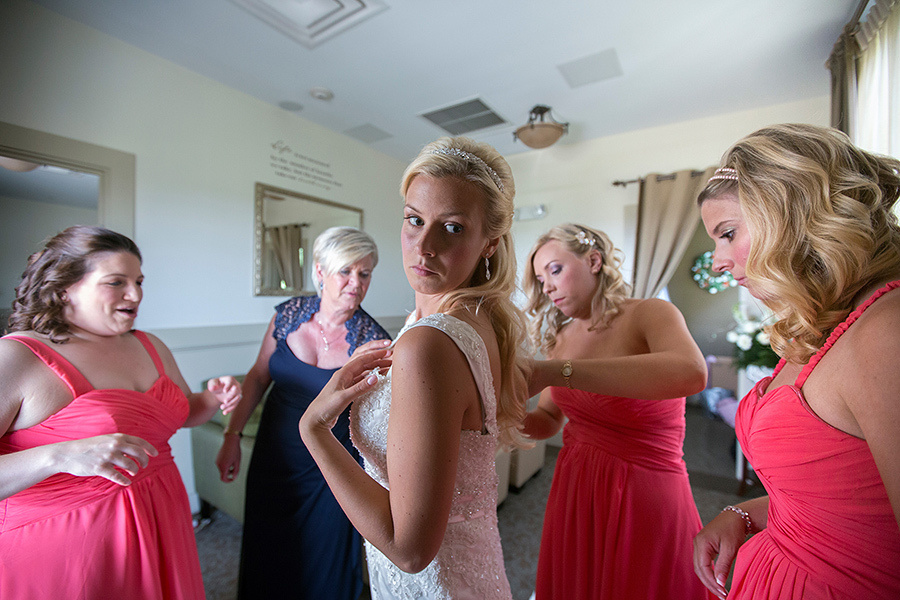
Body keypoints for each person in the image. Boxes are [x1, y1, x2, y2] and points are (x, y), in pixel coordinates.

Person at [298, 137, 529, 599]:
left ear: (490, 243)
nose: (423, 246)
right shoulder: (473, 322)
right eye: (414, 220)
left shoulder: (430, 341)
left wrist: (314, 430)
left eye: (454, 228)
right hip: (473, 570)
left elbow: (409, 549)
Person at [692, 124, 900, 600]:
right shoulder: (819, 329)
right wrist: (742, 513)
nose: (719, 260)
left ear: (789, 211)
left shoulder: (886, 330)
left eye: (728, 233)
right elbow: (842, 499)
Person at [0, 225, 241, 599]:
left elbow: (177, 413)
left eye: (139, 281)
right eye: (116, 282)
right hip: (70, 543)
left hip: (162, 512)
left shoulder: (149, 344)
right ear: (65, 287)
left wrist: (209, 399)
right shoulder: (18, 357)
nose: (136, 294)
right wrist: (58, 456)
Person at [522, 223, 710, 600]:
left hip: (645, 489)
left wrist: (556, 371)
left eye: (555, 270)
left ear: (594, 261)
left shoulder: (650, 314)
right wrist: (491, 411)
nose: (548, 287)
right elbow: (547, 421)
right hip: (577, 486)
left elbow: (692, 372)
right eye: (541, 280)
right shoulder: (562, 337)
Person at [216, 226, 390, 600]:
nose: (355, 283)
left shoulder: (372, 341)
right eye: (345, 271)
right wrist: (232, 436)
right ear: (320, 271)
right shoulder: (288, 316)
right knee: (270, 551)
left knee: (324, 563)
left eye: (365, 273)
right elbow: (258, 376)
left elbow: (378, 422)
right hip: (274, 457)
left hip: (331, 468)